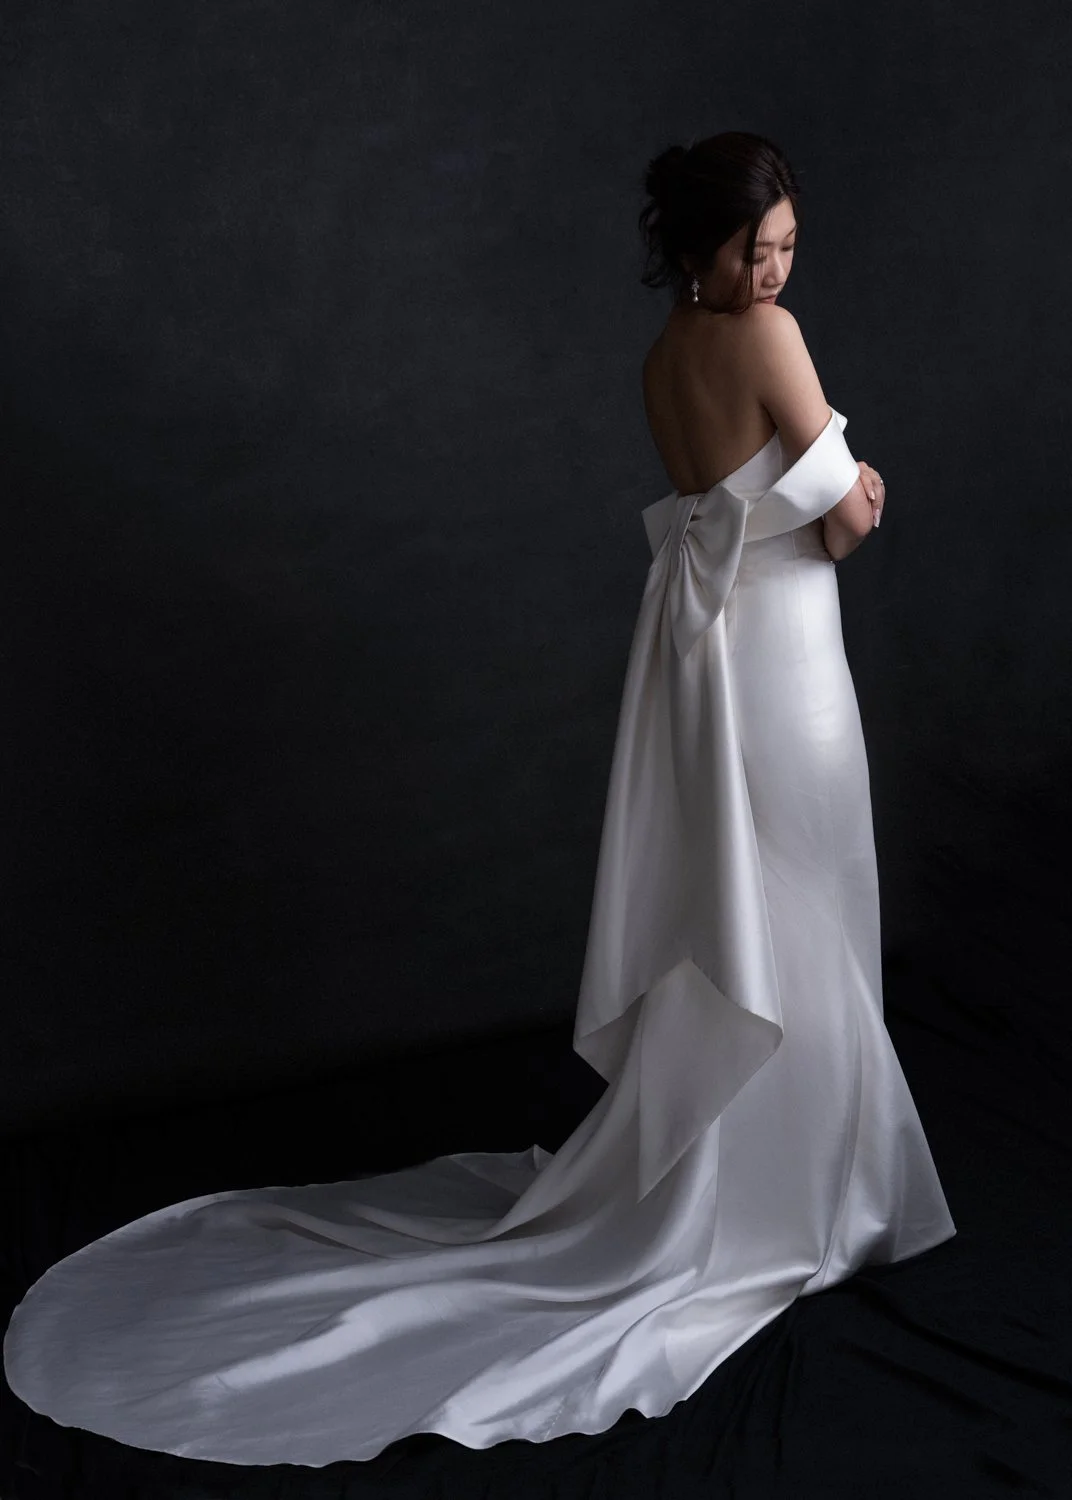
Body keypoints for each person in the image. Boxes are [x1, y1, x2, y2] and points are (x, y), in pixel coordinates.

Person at [2, 131, 956, 1469]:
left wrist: (829, 491)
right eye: (755, 248)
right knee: (798, 896)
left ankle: (754, 1180)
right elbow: (845, 523)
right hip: (780, 658)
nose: (775, 267)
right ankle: (798, 1200)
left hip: (712, 654)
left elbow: (727, 500)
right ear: (697, 249)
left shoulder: (666, 357)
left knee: (760, 900)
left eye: (787, 247)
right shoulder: (769, 339)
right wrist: (857, 492)